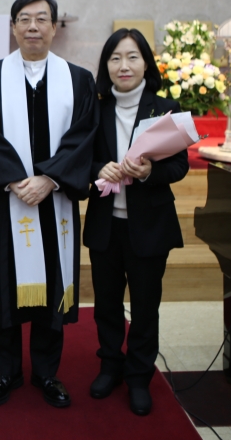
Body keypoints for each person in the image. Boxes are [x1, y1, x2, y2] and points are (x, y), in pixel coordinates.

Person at [0, 0, 98, 408]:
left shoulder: (78, 80)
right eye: (24, 19)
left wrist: (51, 178)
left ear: (55, 27)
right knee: (4, 286)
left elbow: (84, 136)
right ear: (12, 27)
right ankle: (6, 372)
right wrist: (14, 180)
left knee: (53, 284)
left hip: (55, 202)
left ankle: (46, 372)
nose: (33, 27)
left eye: (42, 19)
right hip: (6, 201)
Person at [82, 28, 189, 416]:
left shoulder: (165, 108)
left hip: (149, 226)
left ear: (146, 63)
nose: (123, 65)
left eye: (132, 57)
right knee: (107, 305)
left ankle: (139, 376)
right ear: (106, 65)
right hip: (106, 225)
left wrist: (148, 172)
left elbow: (179, 166)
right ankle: (110, 366)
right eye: (115, 58)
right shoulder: (95, 109)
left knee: (145, 306)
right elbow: (81, 160)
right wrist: (100, 168)